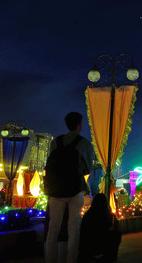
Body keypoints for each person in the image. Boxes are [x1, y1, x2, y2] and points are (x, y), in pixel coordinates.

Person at [46, 112, 94, 263]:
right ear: (79, 125)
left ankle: (50, 259)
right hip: (75, 190)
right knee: (74, 229)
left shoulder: (56, 142)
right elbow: (88, 169)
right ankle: (71, 260)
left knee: (53, 228)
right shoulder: (84, 143)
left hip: (55, 190)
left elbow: (49, 164)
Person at [78, 194, 121, 262]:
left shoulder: (87, 216)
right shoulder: (110, 217)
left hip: (89, 249)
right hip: (106, 248)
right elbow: (117, 234)